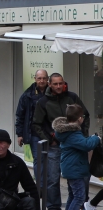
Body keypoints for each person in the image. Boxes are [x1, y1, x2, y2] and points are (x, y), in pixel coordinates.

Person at [32, 73, 90, 210]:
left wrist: (83, 135)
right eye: (55, 84)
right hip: (55, 146)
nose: (58, 86)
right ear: (50, 84)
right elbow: (36, 124)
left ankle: (80, 204)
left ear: (64, 83)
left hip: (75, 145)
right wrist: (49, 139)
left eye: (61, 83)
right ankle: (53, 207)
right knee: (52, 179)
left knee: (80, 177)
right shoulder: (43, 102)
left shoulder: (72, 97)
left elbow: (85, 115)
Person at [53, 104, 100, 210]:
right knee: (79, 197)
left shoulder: (66, 132)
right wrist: (96, 138)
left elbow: (82, 143)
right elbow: (87, 145)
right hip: (75, 169)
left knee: (73, 195)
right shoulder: (73, 133)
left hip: (71, 168)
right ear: (80, 119)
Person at [15, 69, 49, 184]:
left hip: (50, 132)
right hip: (34, 133)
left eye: (44, 78)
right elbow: (20, 115)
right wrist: (19, 134)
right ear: (35, 79)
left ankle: (47, 187)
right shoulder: (27, 95)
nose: (42, 81)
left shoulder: (52, 93)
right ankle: (40, 187)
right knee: (38, 159)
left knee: (50, 160)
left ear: (47, 79)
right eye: (39, 78)